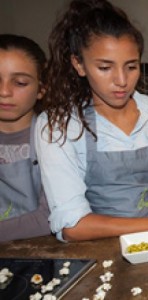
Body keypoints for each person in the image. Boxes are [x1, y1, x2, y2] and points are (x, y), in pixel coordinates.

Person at [35, 0, 148, 242]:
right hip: (98, 253)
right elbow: (73, 226)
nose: (121, 80)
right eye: (105, 67)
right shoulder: (59, 126)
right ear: (79, 64)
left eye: (131, 66)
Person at [0, 34, 51, 242]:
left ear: (41, 89)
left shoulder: (54, 139)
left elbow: (49, 216)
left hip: (44, 253)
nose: (4, 91)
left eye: (20, 82)